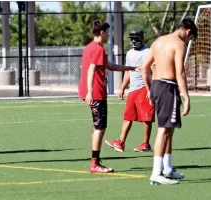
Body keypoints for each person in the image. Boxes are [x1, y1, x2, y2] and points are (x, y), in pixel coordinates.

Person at [141, 19, 197, 185]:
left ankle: (167, 168)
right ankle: (156, 173)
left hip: (158, 86)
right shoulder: (179, 44)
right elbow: (179, 72)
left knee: (169, 129)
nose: (188, 41)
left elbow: (145, 68)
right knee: (164, 130)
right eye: (190, 38)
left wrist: (150, 89)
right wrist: (186, 96)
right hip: (168, 86)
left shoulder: (158, 41)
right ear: (188, 32)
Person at [79, 20, 140, 173]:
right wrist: (90, 92)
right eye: (107, 32)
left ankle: (96, 157)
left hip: (92, 91)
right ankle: (95, 163)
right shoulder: (98, 49)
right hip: (96, 93)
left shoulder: (89, 48)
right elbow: (91, 70)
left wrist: (131, 68)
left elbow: (110, 66)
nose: (108, 35)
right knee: (100, 127)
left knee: (97, 127)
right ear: (102, 33)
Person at [105, 30, 155, 153]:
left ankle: (146, 144)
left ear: (142, 38)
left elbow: (154, 69)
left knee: (146, 117)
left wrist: (151, 89)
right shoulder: (129, 53)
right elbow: (128, 72)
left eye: (136, 38)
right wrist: (122, 87)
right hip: (133, 89)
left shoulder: (148, 52)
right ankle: (120, 142)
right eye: (131, 38)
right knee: (128, 116)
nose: (133, 41)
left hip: (145, 87)